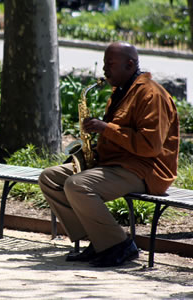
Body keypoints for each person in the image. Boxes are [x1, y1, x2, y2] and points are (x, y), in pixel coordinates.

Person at [38, 41, 180, 267]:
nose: (104, 70)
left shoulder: (152, 95)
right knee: (50, 177)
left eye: (110, 64)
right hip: (115, 164)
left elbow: (150, 147)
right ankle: (99, 240)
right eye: (104, 64)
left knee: (77, 185)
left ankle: (119, 246)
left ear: (130, 64)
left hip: (145, 170)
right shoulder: (121, 91)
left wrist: (106, 128)